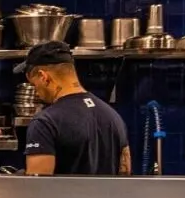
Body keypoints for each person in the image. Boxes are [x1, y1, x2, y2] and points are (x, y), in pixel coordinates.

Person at [18, 40, 131, 176]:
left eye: (34, 85)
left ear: (43, 77)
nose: (36, 92)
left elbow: (38, 188)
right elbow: (125, 172)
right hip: (107, 197)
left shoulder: (45, 122)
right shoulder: (113, 116)